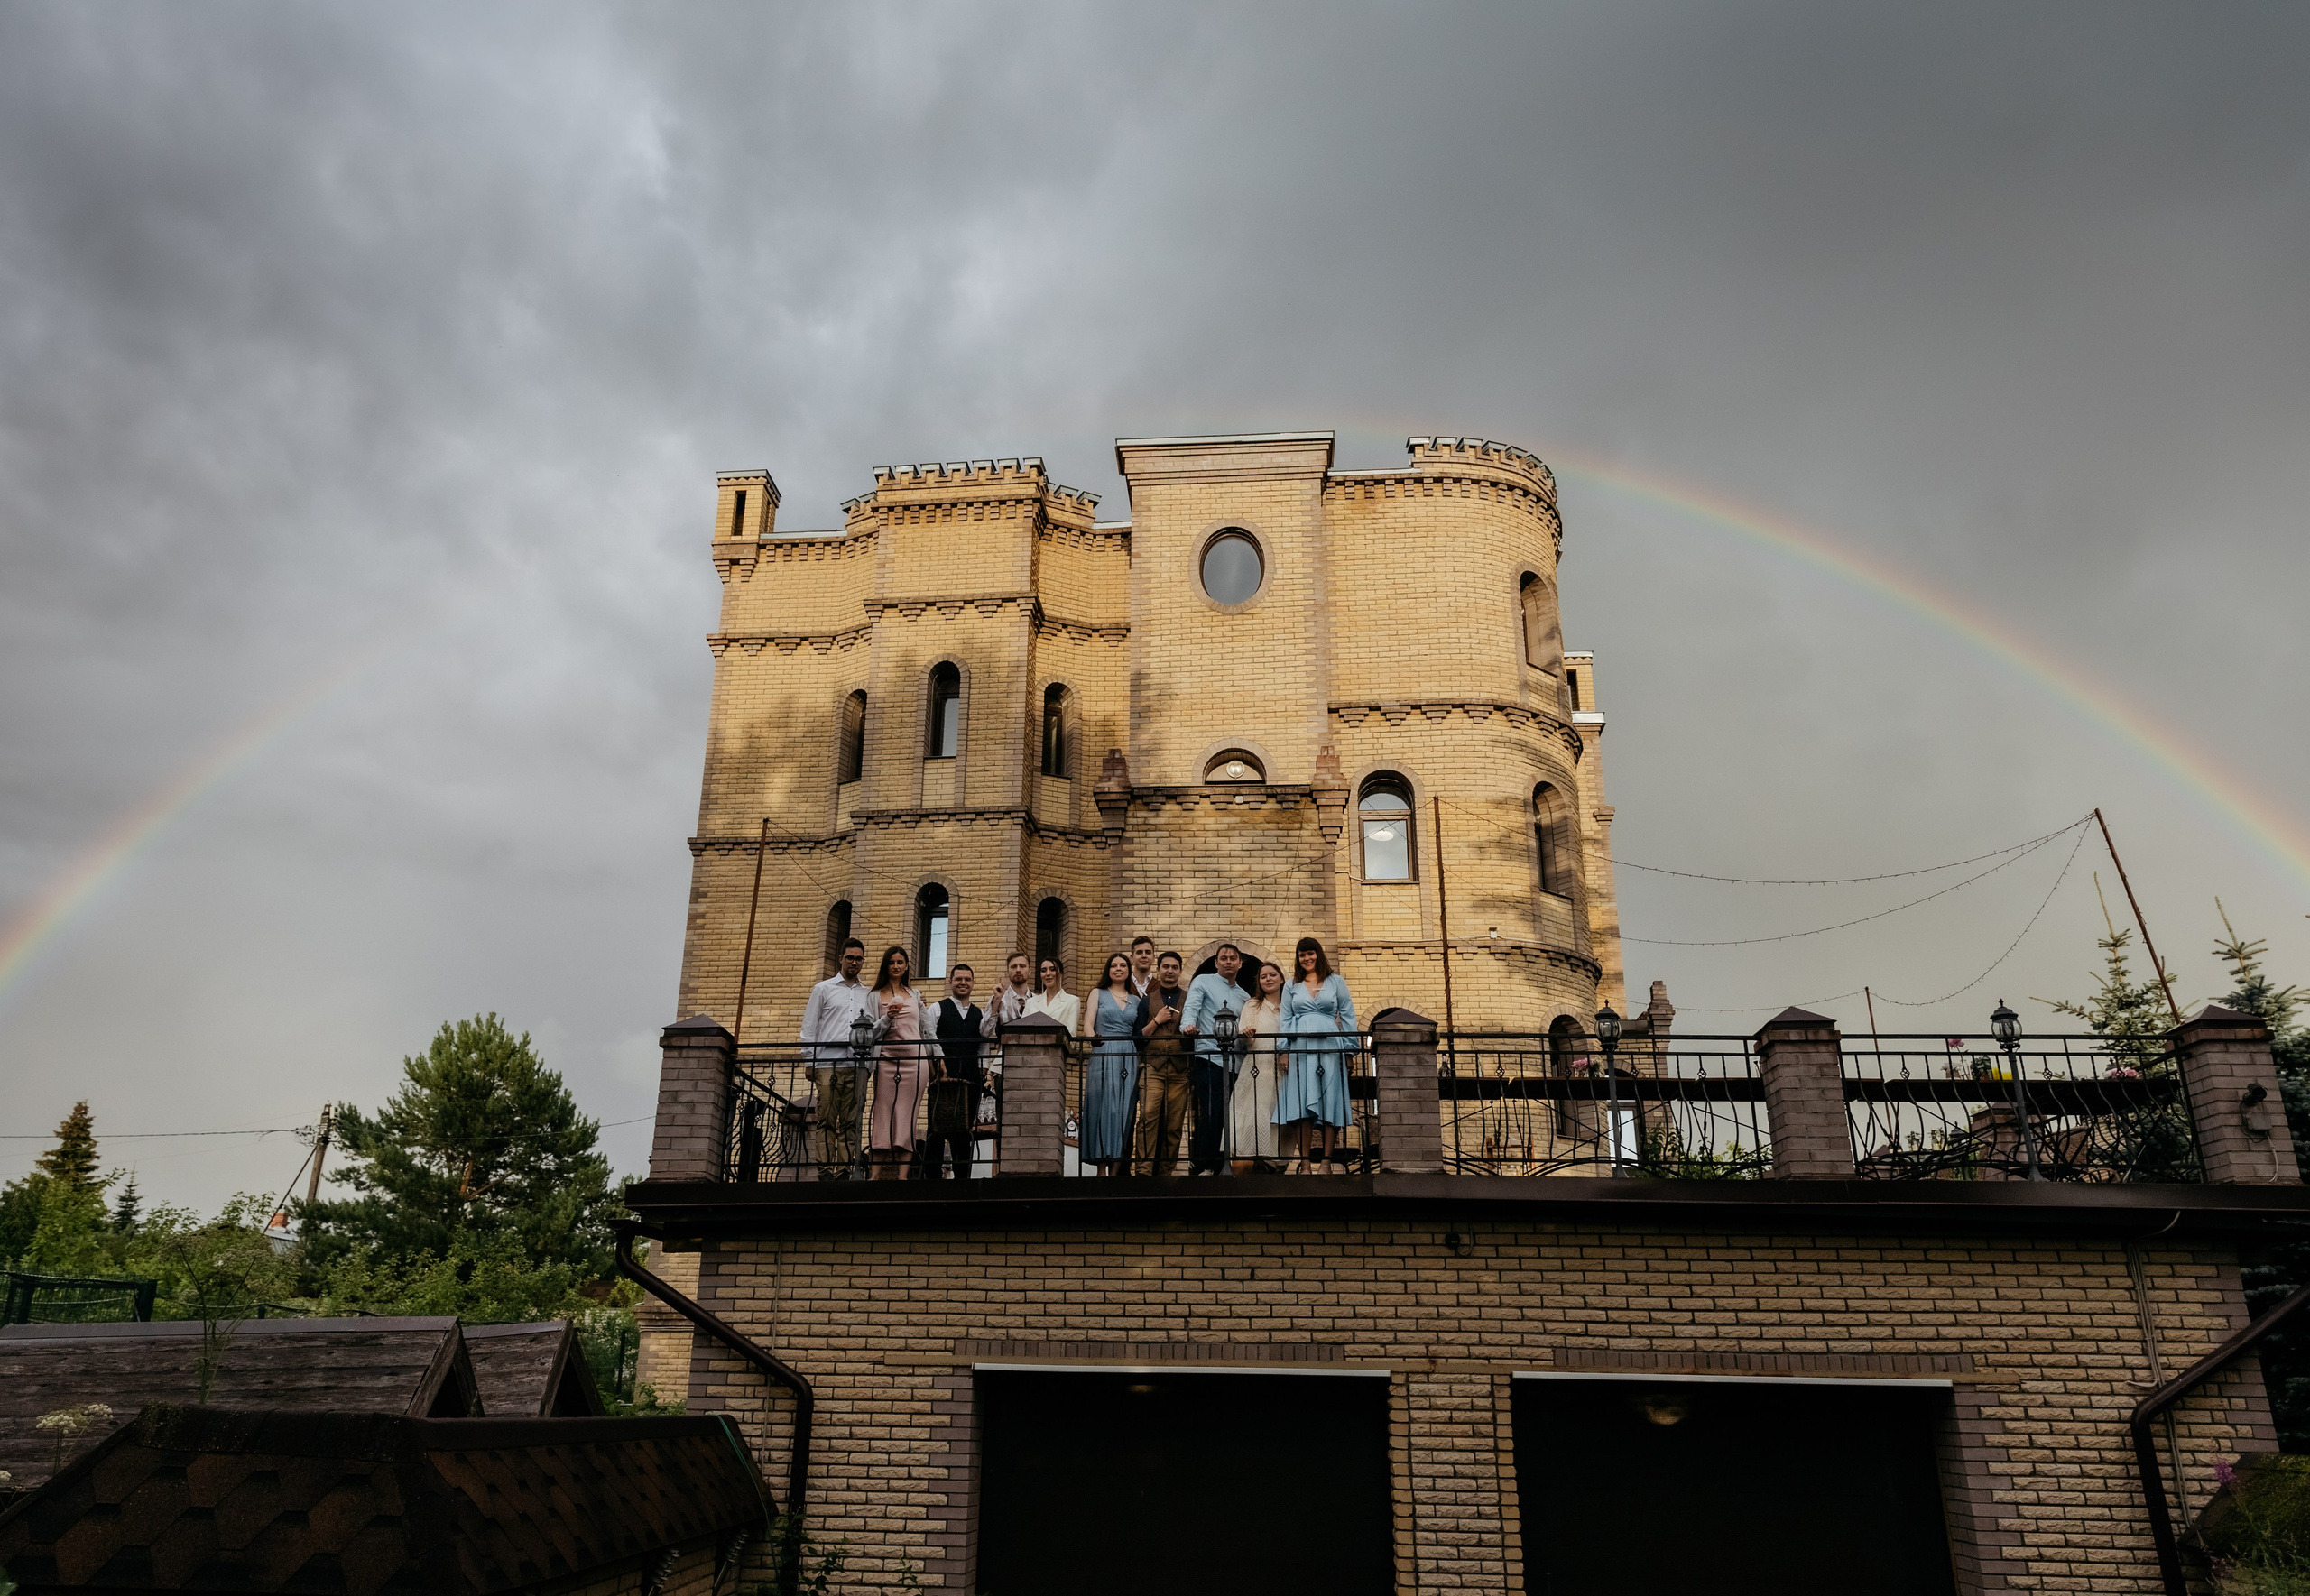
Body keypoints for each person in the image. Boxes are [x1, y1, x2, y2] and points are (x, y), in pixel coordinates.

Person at [1274, 936, 1358, 1175]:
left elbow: (1349, 1016)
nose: (1306, 958)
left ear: (1318, 955)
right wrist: (1284, 1050)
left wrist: (1350, 1049)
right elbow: (1286, 1019)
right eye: (1302, 955)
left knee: (1330, 1100)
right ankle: (1305, 1163)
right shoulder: (1291, 985)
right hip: (1301, 1047)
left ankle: (1327, 1163)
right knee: (1302, 1103)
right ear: (1298, 959)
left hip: (1331, 1046)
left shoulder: (1336, 982)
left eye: (1310, 953)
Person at [798, 937, 873, 1178]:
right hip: (828, 1062)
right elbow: (809, 1027)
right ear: (841, 958)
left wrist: (870, 1065)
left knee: (851, 1120)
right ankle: (825, 1170)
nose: (854, 962)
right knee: (828, 1119)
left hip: (857, 1064)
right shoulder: (823, 989)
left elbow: (874, 1029)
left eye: (859, 958)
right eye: (850, 957)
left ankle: (843, 1169)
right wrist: (809, 1060)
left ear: (863, 962)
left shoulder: (868, 993)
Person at [1179, 943, 1251, 1176]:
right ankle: (1203, 1165)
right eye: (1223, 958)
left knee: (1230, 1115)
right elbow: (1192, 1007)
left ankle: (1223, 1165)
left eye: (1233, 958)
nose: (1228, 961)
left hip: (1237, 1064)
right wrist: (1187, 1026)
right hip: (1209, 1056)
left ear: (1240, 963)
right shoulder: (1203, 981)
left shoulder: (1245, 996)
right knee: (1210, 1111)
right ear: (1216, 963)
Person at [864, 945, 929, 1180]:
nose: (896, 966)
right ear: (886, 965)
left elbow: (926, 1029)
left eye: (900, 962)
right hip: (886, 1060)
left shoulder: (915, 994)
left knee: (907, 1114)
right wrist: (886, 1018)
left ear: (906, 966)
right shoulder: (873, 995)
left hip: (915, 1061)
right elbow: (867, 1033)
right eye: (892, 962)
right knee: (883, 1112)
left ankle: (902, 1177)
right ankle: (875, 1176)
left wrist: (936, 1056)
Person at [1132, 951, 1193, 1176]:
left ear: (1179, 970)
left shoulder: (1190, 998)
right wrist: (1157, 1020)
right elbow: (1137, 1037)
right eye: (1165, 966)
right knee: (1147, 1119)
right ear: (1159, 970)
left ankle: (1166, 1172)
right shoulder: (1147, 1001)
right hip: (1152, 1068)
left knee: (1174, 1125)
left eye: (1174, 967)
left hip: (1180, 1069)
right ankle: (1144, 1171)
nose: (1170, 971)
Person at [1083, 953, 1140, 1176]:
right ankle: (1100, 1171)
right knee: (1102, 1106)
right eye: (1114, 965)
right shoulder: (1097, 993)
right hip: (1104, 1050)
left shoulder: (1136, 1000)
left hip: (1128, 1056)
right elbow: (1088, 1022)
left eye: (1123, 965)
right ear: (1108, 970)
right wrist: (1092, 1038)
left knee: (1123, 1110)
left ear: (1128, 970)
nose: (1118, 968)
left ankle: (1115, 1171)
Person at [929, 963, 985, 1179]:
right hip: (943, 1073)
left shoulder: (978, 1013)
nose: (963, 983)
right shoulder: (937, 1008)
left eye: (967, 979)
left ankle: (963, 1178)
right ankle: (932, 1178)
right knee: (937, 1126)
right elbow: (928, 1035)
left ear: (973, 983)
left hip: (971, 1075)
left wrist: (983, 1070)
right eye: (958, 979)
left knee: (965, 1128)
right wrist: (937, 1061)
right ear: (950, 982)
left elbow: (983, 1044)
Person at [1232, 960, 1286, 1173]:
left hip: (1283, 1071)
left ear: (1281, 978)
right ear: (1259, 982)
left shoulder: (1290, 1006)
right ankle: (1252, 1162)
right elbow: (1244, 1040)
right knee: (1254, 1114)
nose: (1268, 979)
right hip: (1257, 1068)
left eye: (1273, 975)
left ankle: (1276, 1165)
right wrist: (1247, 1036)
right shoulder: (1252, 1005)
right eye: (1263, 977)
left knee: (1278, 1118)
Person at [1026, 955, 1082, 1035]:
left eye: (1053, 969)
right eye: (1043, 970)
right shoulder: (1030, 1002)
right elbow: (1022, 1032)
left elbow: (1071, 1035)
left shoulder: (1072, 1001)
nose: (1048, 974)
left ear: (1061, 973)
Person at [1126, 936, 1159, 1000]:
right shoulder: (1123, 986)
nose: (1144, 956)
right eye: (1139, 952)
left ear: (1153, 958)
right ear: (1132, 958)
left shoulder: (1160, 987)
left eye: (1148, 952)